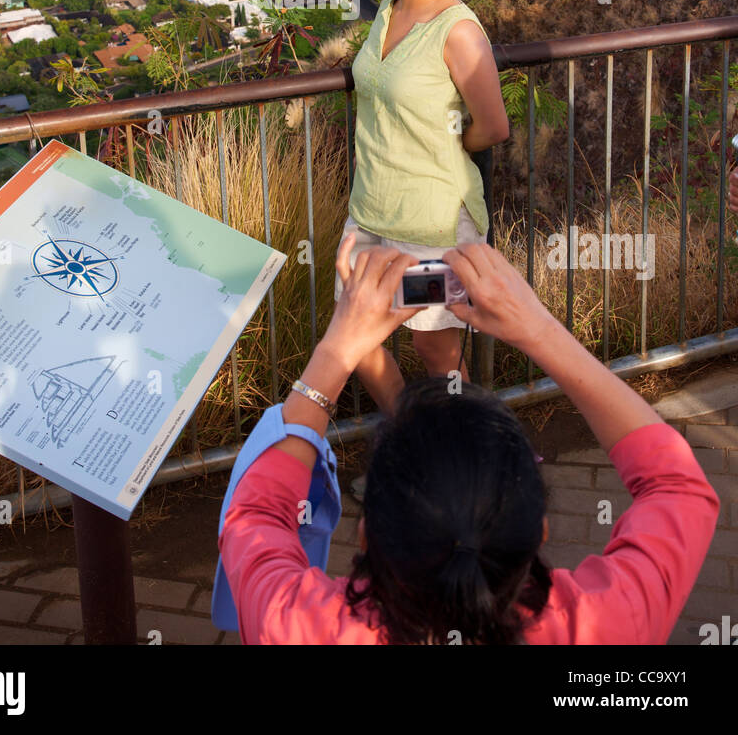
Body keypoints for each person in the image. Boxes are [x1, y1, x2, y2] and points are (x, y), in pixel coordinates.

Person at [219, 234, 720, 645]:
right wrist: (540, 330)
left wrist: (337, 348)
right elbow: (676, 486)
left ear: (366, 536)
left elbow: (255, 515)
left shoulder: (297, 626)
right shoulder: (602, 624)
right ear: (540, 533)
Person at [337, 0, 509, 417]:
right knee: (354, 339)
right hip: (370, 208)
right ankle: (415, 440)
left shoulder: (458, 31)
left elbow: (494, 126)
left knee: (435, 352)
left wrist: (448, 144)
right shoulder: (386, 11)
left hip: (433, 219)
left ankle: (460, 465)